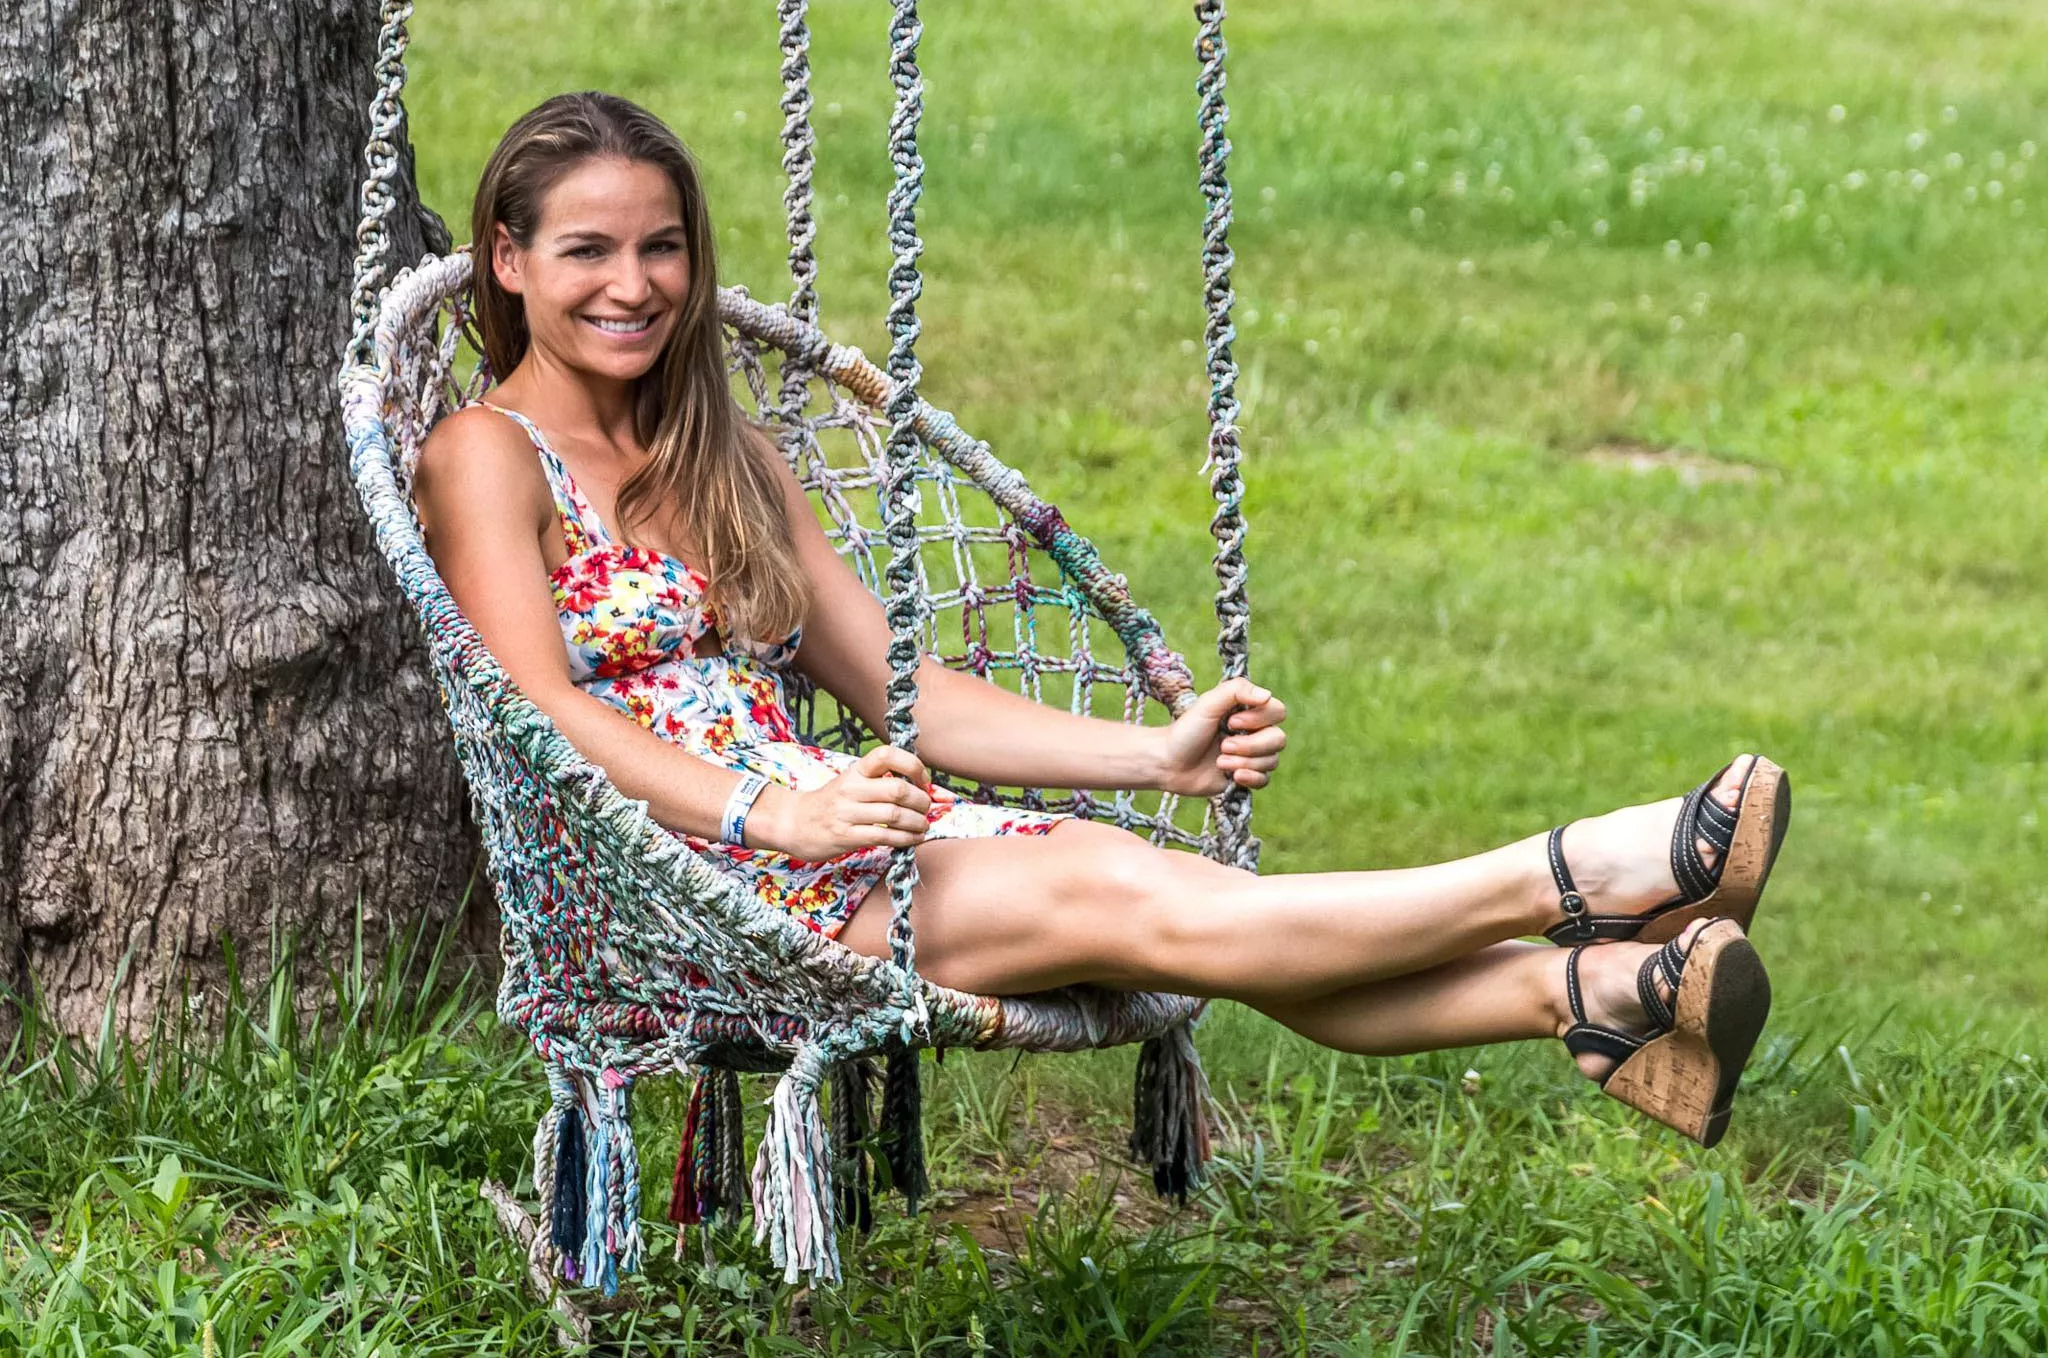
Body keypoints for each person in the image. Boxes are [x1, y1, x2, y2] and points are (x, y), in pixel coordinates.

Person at [415, 92, 1789, 1150]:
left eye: (662, 246)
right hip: (681, 893)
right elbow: (539, 709)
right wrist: (766, 817)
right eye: (587, 247)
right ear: (509, 259)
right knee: (1139, 899)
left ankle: (1600, 997)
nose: (634, 282)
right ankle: (1587, 874)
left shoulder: (729, 458)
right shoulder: (487, 452)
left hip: (840, 840)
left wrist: (1160, 754)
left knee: (1197, 916)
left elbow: (916, 698)